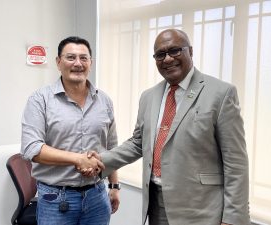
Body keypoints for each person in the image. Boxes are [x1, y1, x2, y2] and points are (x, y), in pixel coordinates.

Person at [88, 29, 251, 225]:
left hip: (202, 210)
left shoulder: (221, 93)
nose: (167, 59)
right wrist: (100, 161)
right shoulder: (149, 96)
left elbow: (236, 163)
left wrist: (233, 218)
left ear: (190, 51)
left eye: (174, 51)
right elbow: (138, 143)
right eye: (160, 54)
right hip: (156, 205)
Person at [21, 36, 120, 225]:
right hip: (55, 199)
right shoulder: (40, 100)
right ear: (58, 62)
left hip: (97, 197)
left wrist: (114, 186)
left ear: (91, 63)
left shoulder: (105, 101)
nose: (78, 63)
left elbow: (112, 147)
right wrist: (77, 158)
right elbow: (31, 148)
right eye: (70, 57)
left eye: (84, 58)